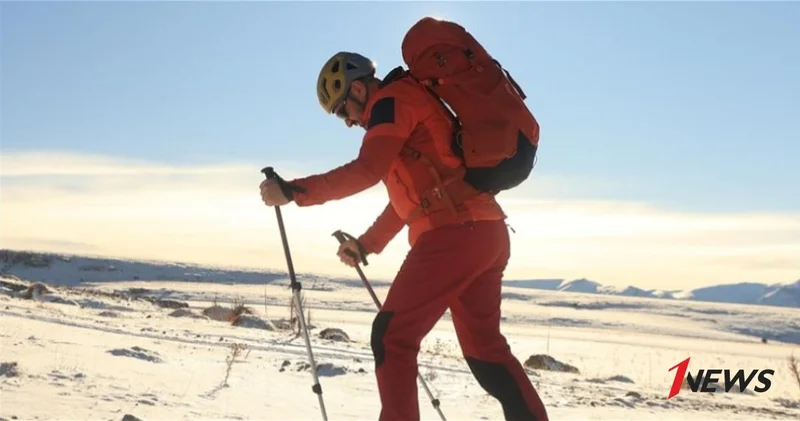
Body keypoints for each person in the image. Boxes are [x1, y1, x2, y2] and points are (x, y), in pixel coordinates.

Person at [259, 51, 549, 421]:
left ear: (360, 90)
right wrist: (367, 244)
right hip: (483, 233)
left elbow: (365, 170)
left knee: (392, 337)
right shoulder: (403, 108)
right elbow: (411, 201)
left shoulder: (391, 103)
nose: (346, 122)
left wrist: (293, 191)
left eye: (341, 110)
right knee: (485, 351)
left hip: (454, 236)